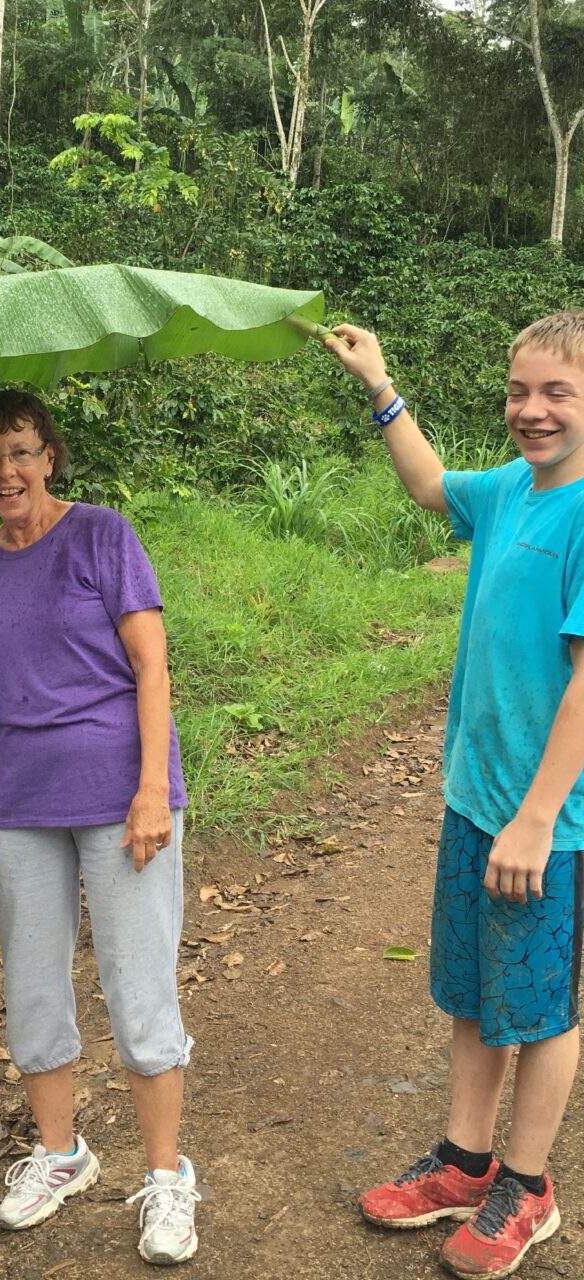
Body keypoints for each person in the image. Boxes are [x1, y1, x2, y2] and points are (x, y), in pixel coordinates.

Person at [326, 314, 584, 1278]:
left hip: (550, 823)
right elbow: (433, 486)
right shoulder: (511, 488)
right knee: (475, 990)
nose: (532, 410)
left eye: (557, 393)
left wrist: (536, 817)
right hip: (478, 799)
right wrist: (380, 385)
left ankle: (529, 1184)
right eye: (520, 391)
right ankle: (466, 1164)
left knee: (541, 1008)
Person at [0, 389, 199, 1266]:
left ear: (49, 457)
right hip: (23, 804)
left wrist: (150, 789)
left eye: (21, 451)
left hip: (119, 792)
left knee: (138, 985)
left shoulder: (102, 534)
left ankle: (166, 1176)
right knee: (31, 987)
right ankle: (60, 1154)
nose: (6, 471)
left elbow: (151, 665)